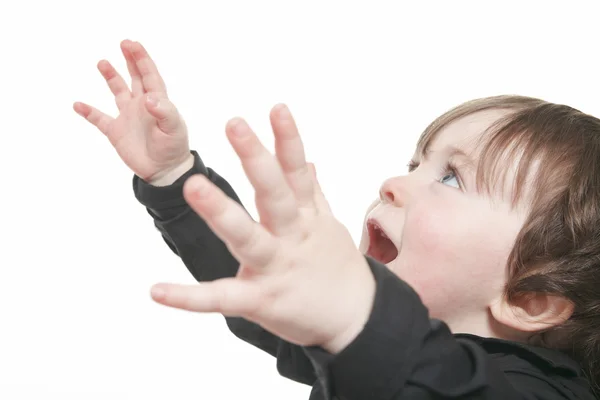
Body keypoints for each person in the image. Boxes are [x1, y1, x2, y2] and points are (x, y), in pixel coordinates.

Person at [73, 40, 600, 399]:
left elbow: (438, 380)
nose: (394, 184)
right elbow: (263, 283)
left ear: (530, 300)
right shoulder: (358, 350)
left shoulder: (537, 391)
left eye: (452, 178)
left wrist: (356, 319)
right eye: (415, 163)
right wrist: (174, 177)